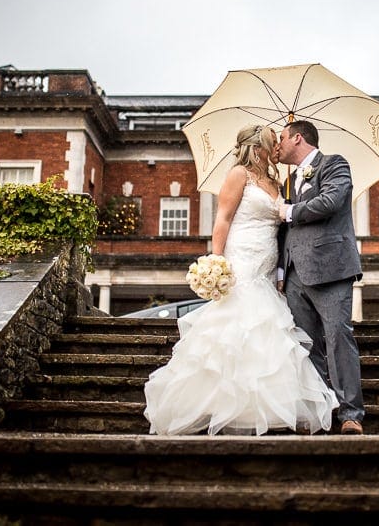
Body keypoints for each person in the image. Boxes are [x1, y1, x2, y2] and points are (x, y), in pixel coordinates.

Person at [143, 124, 338, 435]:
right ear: (258, 147)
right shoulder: (239, 175)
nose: (277, 148)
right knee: (241, 324)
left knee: (270, 329)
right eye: (273, 143)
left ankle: (267, 405)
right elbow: (223, 218)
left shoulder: (277, 180)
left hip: (267, 263)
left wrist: (279, 272)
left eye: (280, 142)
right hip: (242, 258)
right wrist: (217, 261)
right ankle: (223, 404)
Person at [275, 120, 365, 435]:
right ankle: (321, 410)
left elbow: (332, 201)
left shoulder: (334, 164)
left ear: (298, 138)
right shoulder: (286, 183)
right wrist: (280, 271)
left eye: (282, 137)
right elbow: (283, 233)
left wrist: (289, 211)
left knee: (338, 338)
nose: (278, 144)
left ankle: (351, 414)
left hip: (331, 268)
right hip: (295, 275)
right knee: (306, 345)